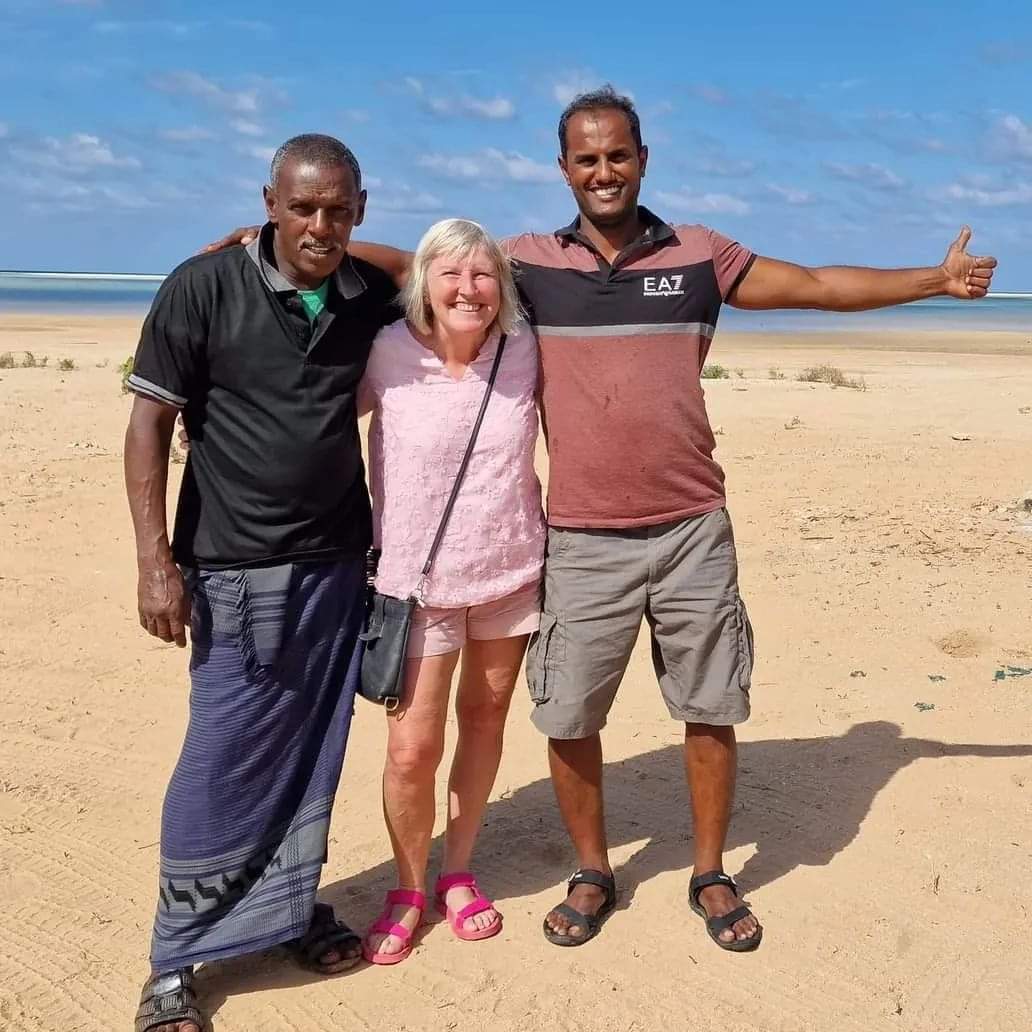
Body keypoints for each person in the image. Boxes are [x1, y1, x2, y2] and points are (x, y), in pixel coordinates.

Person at [204, 87, 998, 955]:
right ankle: (592, 869)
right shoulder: (533, 266)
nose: (604, 171)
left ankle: (709, 871)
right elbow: (431, 268)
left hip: (693, 522)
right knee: (571, 715)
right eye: (586, 159)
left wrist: (933, 279)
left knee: (709, 706)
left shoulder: (698, 253)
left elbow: (810, 285)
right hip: (578, 534)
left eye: (618, 154)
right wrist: (295, 242)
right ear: (564, 170)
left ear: (643, 158)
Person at [126, 134, 397, 1032]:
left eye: (338, 209)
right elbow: (148, 425)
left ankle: (285, 913)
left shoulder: (369, 294)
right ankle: (175, 957)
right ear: (270, 202)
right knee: (224, 758)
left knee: (310, 754)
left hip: (336, 567)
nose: (319, 226)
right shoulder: (200, 287)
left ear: (360, 209)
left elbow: (458, 268)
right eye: (302, 207)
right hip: (233, 571)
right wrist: (154, 562)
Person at [358, 218, 544, 965]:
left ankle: (458, 872)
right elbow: (309, 421)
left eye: (483, 274)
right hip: (415, 584)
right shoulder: (386, 353)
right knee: (412, 749)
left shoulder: (526, 351)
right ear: (422, 284)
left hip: (509, 574)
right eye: (450, 274)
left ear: (502, 285)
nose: (468, 289)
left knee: (488, 719)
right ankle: (408, 887)